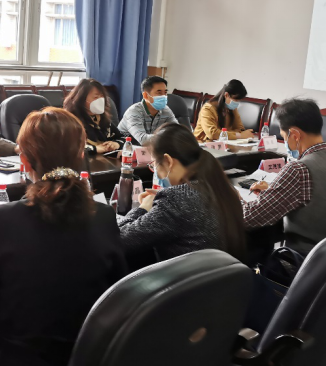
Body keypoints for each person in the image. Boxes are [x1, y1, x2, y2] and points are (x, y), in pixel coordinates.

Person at [0, 108, 127, 366]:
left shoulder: (1, 220)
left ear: (24, 160)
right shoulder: (104, 215)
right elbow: (116, 296)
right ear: (81, 154)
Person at [242, 98, 326, 254]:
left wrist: (233, 197)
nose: (285, 142)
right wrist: (273, 190)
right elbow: (324, 196)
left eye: (284, 136)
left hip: (305, 261)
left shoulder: (298, 169)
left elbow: (249, 218)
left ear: (295, 134)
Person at [118, 123, 246, 262]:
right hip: (222, 274)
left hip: (188, 276)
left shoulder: (174, 200)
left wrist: (143, 208)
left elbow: (118, 240)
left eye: (154, 165)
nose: (156, 172)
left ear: (168, 161)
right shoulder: (224, 189)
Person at [64, 78, 124, 154]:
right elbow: (69, 147)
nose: (100, 100)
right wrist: (95, 149)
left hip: (104, 160)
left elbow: (124, 138)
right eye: (96, 97)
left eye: (102, 96)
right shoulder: (71, 121)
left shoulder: (101, 119)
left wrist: (116, 144)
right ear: (81, 99)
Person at [117, 76, 178, 145]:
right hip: (123, 147)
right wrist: (170, 138)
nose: (164, 96)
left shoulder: (166, 110)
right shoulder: (134, 111)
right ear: (146, 95)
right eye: (159, 93)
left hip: (150, 147)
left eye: (165, 92)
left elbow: (178, 132)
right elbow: (143, 140)